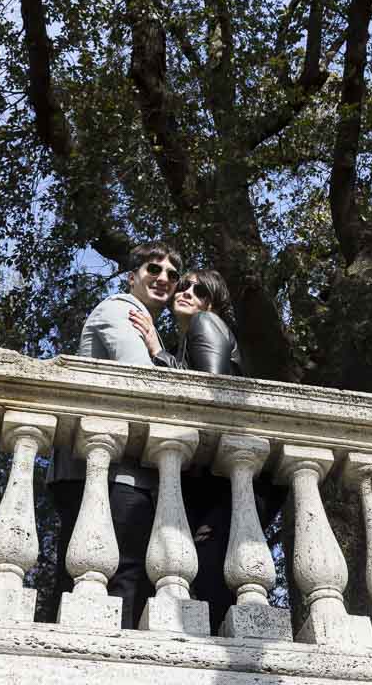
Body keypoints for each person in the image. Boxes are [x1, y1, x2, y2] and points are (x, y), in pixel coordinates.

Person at [47, 241, 182, 629]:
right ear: (132, 277)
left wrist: (159, 346)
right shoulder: (121, 309)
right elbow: (141, 381)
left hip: (117, 470)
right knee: (110, 573)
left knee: (110, 572)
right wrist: (159, 354)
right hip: (104, 471)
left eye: (172, 275)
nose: (164, 279)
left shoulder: (147, 324)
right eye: (154, 270)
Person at [129, 268, 241, 632]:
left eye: (201, 290)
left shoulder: (205, 323)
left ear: (212, 303)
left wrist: (157, 351)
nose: (187, 292)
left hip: (219, 483)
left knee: (211, 584)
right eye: (185, 285)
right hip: (207, 482)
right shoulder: (188, 338)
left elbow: (211, 393)